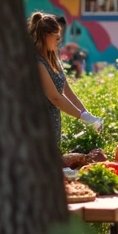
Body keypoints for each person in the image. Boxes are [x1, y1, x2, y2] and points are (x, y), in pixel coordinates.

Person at [28, 12, 101, 142]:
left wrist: (87, 114)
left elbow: (66, 91)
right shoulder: (37, 62)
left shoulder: (53, 59)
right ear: (45, 36)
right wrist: (81, 117)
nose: (59, 41)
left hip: (53, 123)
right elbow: (55, 97)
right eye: (56, 37)